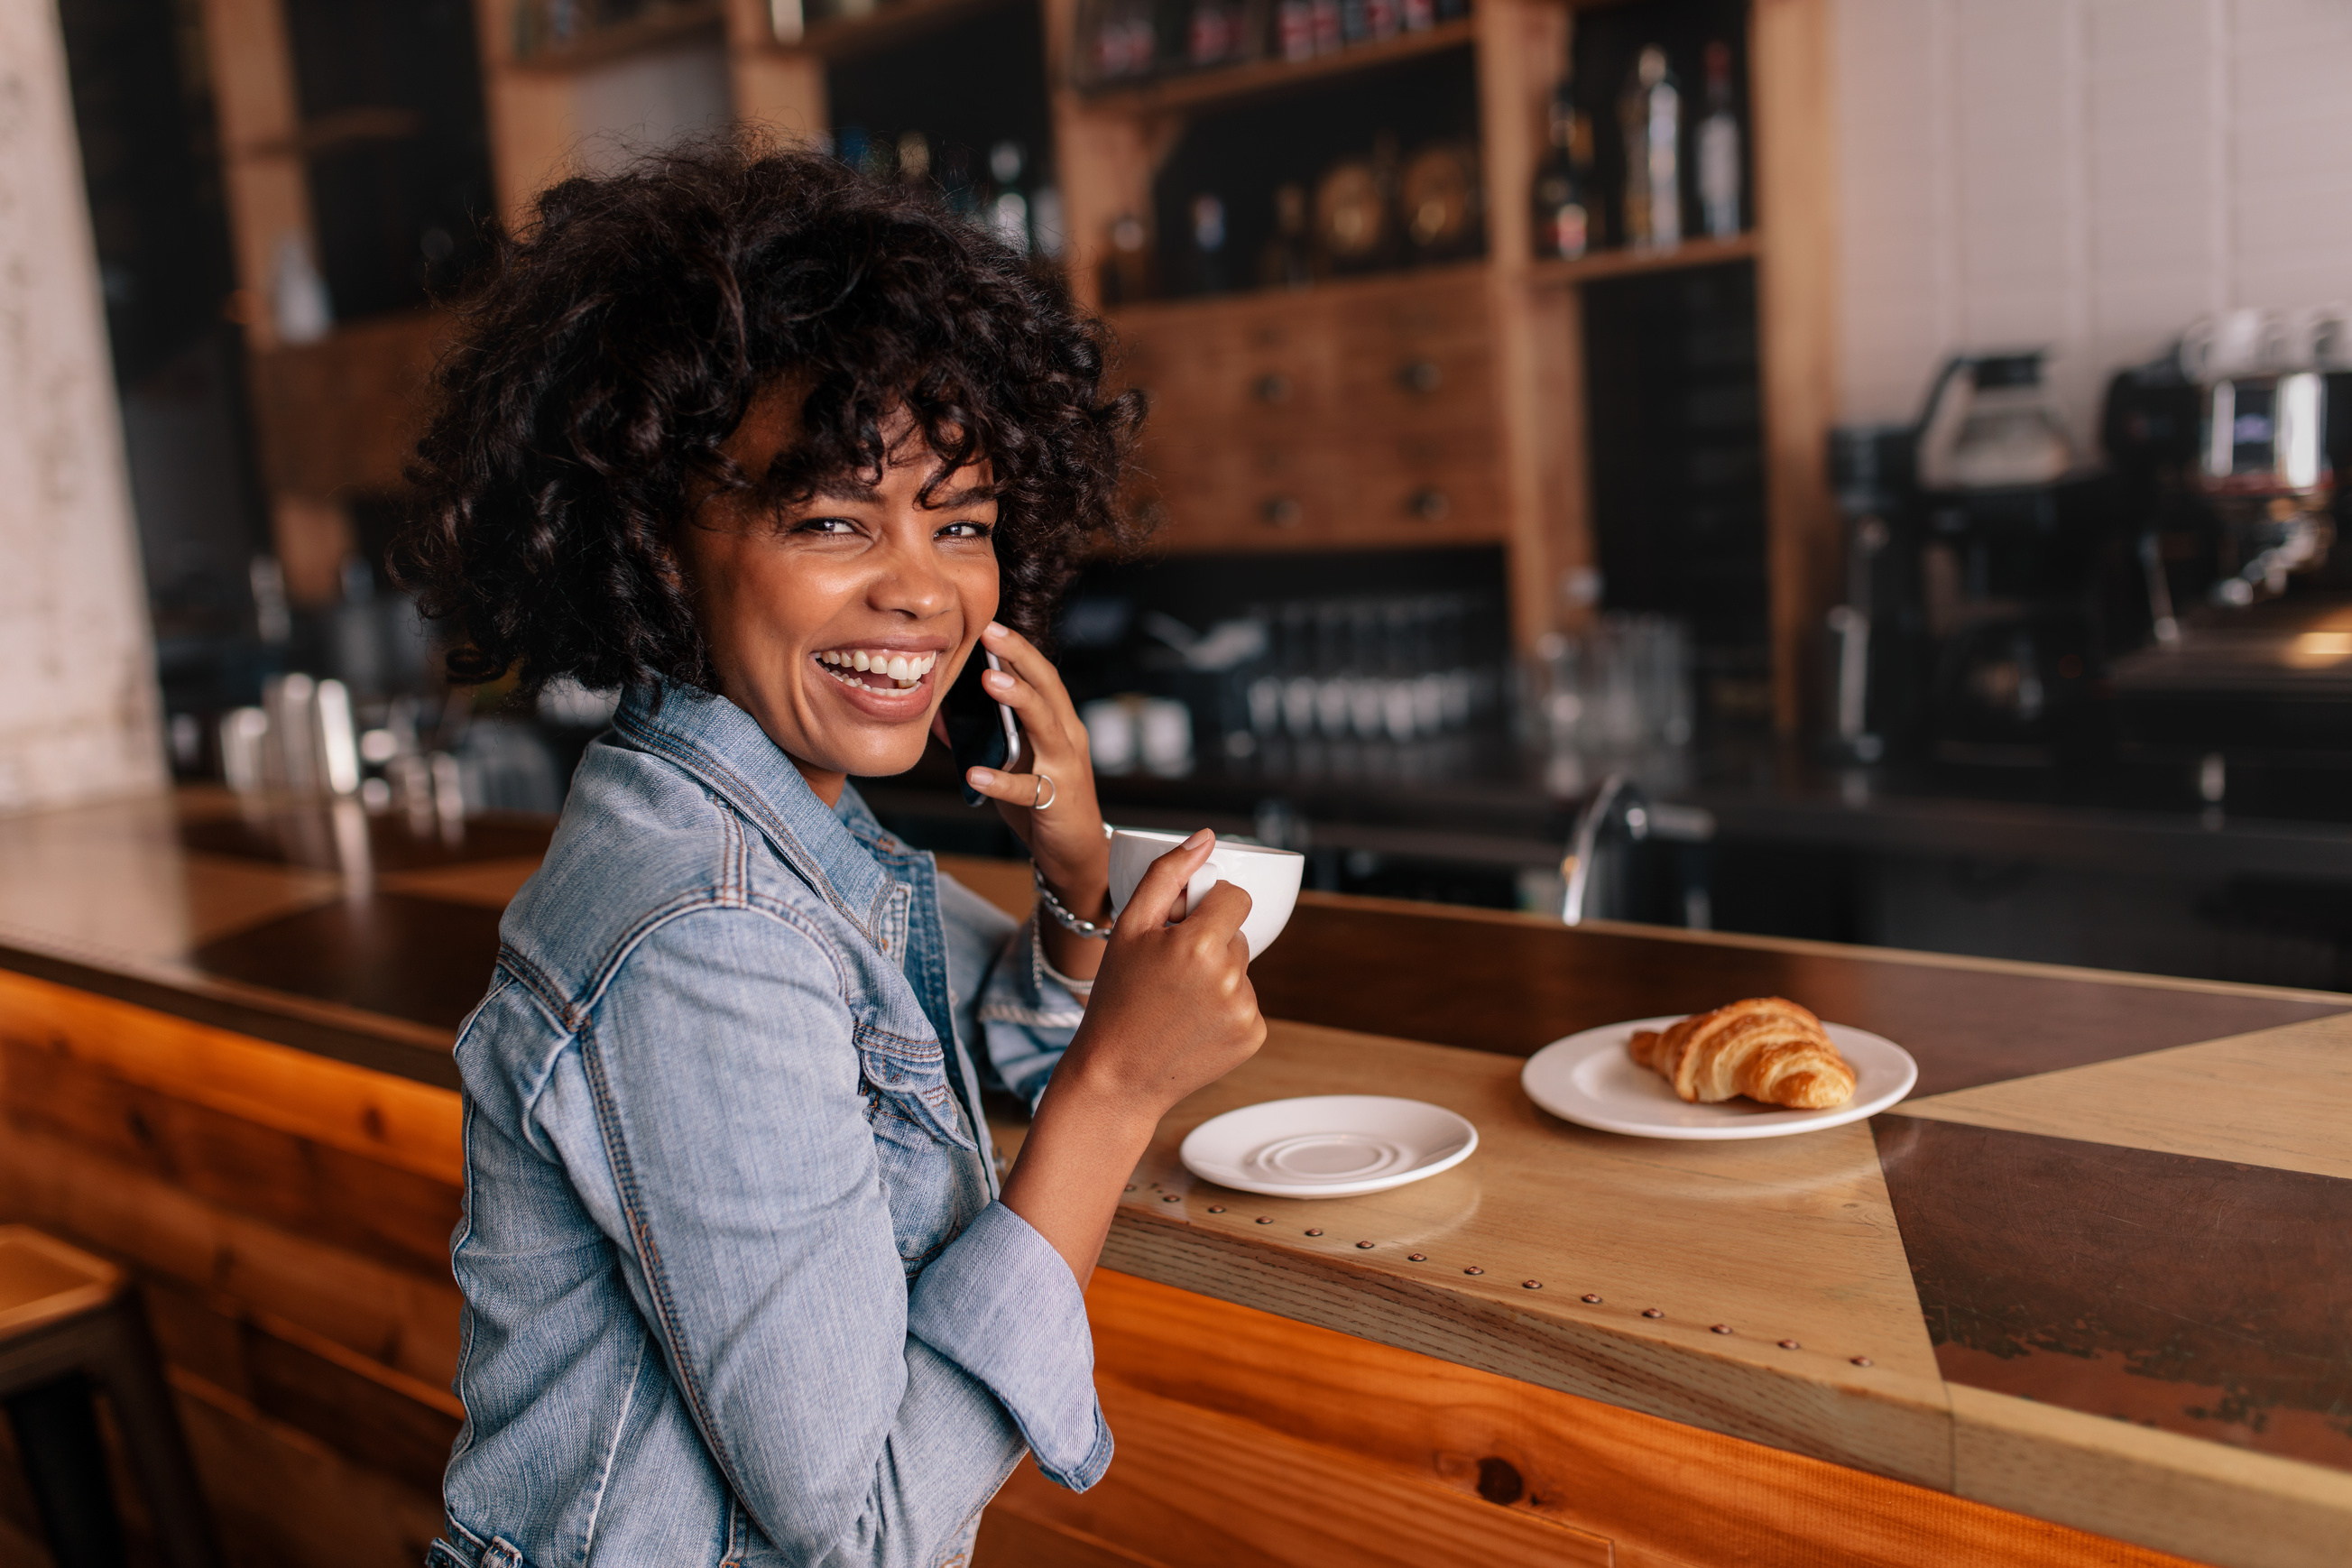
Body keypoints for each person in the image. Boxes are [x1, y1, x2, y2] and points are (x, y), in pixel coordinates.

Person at [395, 139, 1267, 1568]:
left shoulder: (768, 826)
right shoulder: (702, 926)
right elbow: (862, 1531)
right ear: (659, 541)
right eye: (831, 519)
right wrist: (1116, 1096)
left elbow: (1000, 1052)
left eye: (962, 521)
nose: (920, 588)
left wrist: (1074, 867)